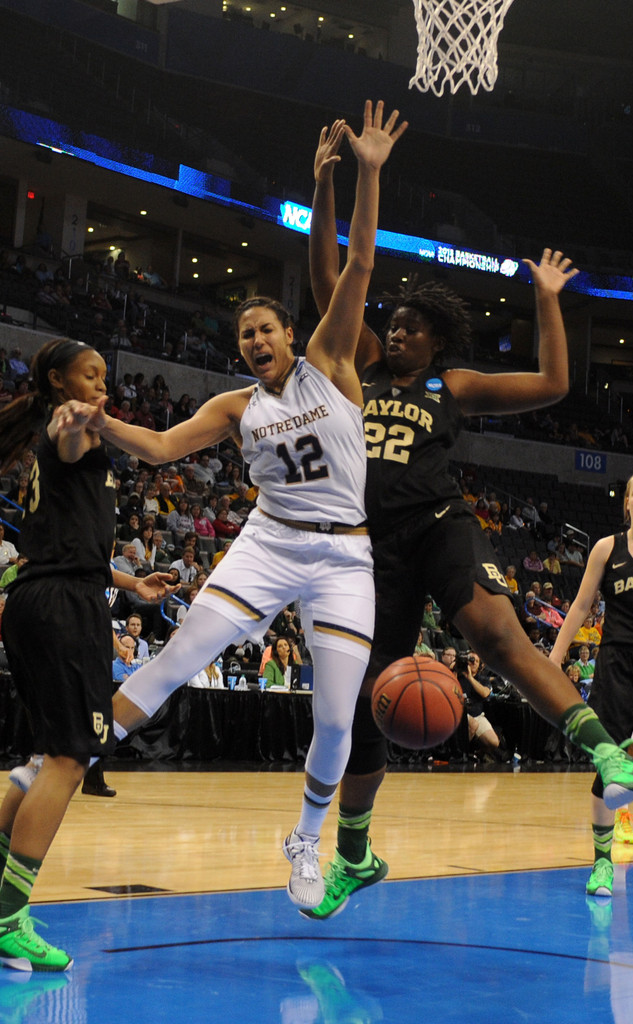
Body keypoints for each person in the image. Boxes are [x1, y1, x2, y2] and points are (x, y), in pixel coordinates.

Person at [302, 120, 633, 920]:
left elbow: (555, 383)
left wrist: (546, 299)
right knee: (364, 712)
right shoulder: (353, 357)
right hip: (366, 553)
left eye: (413, 326)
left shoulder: (452, 386)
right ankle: (353, 856)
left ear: (438, 338)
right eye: (393, 322)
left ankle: (601, 747)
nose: (396, 330)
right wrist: (333, 180)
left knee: (498, 633)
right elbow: (329, 275)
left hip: (436, 522)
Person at [62, 101, 407, 911]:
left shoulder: (332, 364)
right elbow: (156, 449)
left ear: (293, 335)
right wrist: (100, 419)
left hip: (344, 556)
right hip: (269, 542)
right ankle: (67, 755)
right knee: (179, 655)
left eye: (265, 330)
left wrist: (360, 171)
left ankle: (305, 841)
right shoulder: (233, 406)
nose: (255, 342)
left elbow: (355, 268)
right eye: (245, 334)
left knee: (333, 721)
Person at [0, 337, 178, 971]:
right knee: (72, 762)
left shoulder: (79, 440)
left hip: (38, 597)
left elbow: (75, 540)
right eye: (91, 376)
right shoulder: (69, 430)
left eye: (106, 376)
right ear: (58, 381)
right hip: (61, 607)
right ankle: (9, 918)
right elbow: (67, 437)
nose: (103, 385)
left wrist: (130, 584)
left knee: (42, 761)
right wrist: (75, 420)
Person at [549, 468, 633, 898]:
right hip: (618, 661)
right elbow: (582, 604)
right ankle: (602, 864)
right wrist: (554, 656)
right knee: (611, 763)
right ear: (626, 503)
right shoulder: (607, 548)